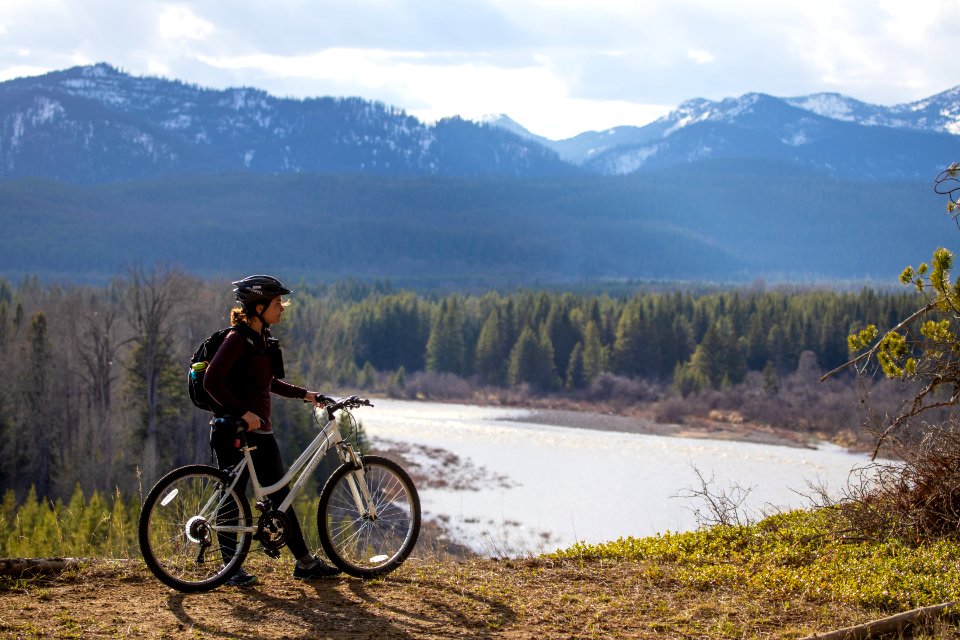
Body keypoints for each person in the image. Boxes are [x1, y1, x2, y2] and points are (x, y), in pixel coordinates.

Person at [203, 274, 339, 587]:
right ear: (259, 306)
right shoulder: (236, 339)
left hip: (262, 433)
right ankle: (230, 570)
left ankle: (305, 563)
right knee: (231, 496)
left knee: (281, 497)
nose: (282, 308)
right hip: (235, 429)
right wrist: (242, 413)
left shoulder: (260, 340)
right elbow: (211, 381)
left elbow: (268, 383)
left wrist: (307, 395)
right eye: (277, 303)